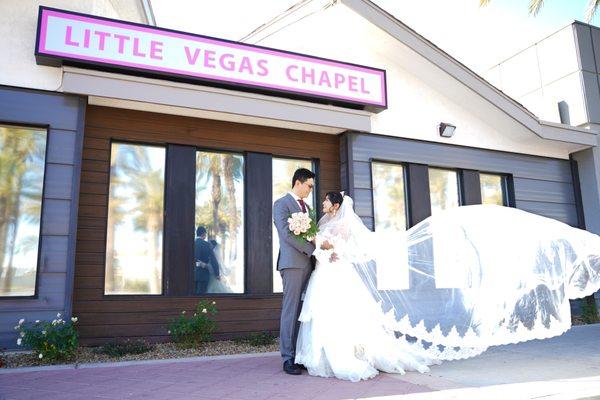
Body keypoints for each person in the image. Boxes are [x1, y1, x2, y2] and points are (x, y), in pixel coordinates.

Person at [295, 192, 600, 382]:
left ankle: (348, 355)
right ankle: (321, 355)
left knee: (344, 317)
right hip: (326, 274)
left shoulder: (344, 224)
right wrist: (319, 247)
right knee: (326, 316)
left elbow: (350, 250)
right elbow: (323, 245)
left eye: (325, 200)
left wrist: (328, 250)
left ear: (335, 204)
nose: (321, 202)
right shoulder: (321, 222)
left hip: (337, 273)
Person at [272, 168, 316, 375]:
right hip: (292, 264)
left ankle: (300, 356)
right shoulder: (281, 204)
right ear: (298, 183)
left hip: (311, 265)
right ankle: (288, 358)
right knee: (291, 311)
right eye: (309, 186)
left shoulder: (308, 208)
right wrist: (312, 249)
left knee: (304, 312)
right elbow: (286, 234)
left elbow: (313, 234)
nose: (310, 190)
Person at [194, 226, 220, 295]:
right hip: (203, 275)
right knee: (201, 297)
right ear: (204, 234)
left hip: (192, 275)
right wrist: (217, 274)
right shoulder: (206, 245)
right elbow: (213, 260)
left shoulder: (192, 244)